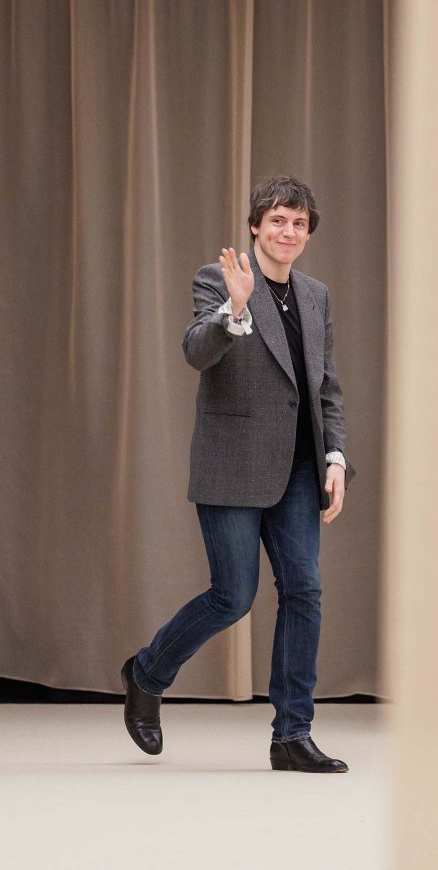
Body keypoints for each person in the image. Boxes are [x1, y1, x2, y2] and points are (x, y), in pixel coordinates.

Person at [121, 174, 355, 773]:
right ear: (255, 227)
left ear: (308, 233)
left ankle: (292, 735)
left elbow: (325, 385)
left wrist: (334, 458)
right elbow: (196, 351)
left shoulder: (316, 295)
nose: (288, 232)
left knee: (304, 590)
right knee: (233, 596)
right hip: (233, 463)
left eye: (299, 223)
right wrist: (237, 307)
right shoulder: (219, 278)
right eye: (277, 220)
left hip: (299, 467)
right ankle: (147, 673)